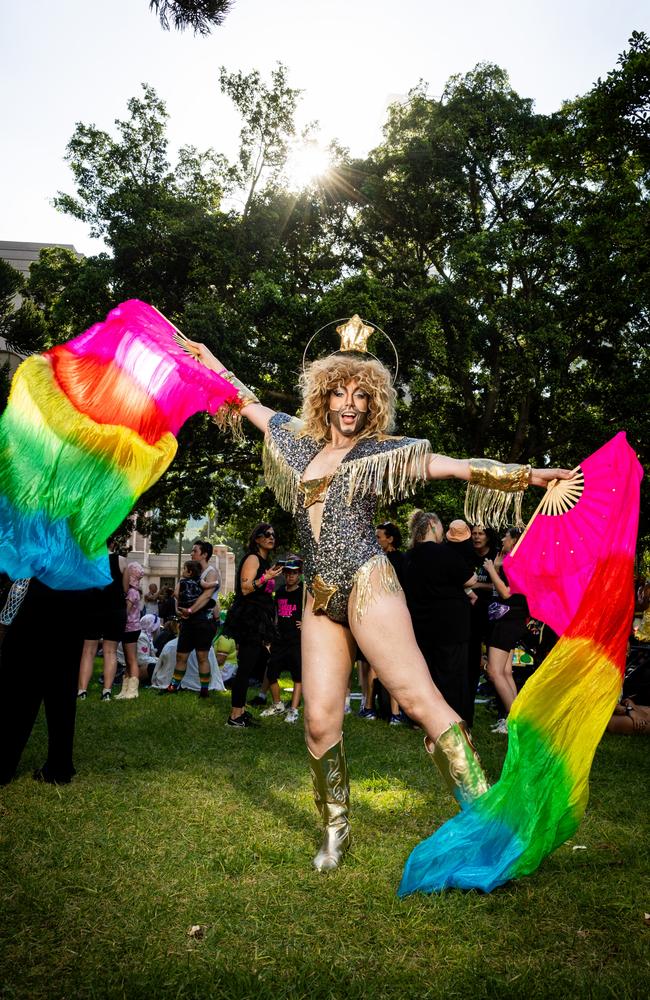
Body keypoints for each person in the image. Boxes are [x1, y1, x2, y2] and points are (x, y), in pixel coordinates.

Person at [185, 315, 572, 871]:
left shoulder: (383, 452)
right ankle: (336, 830)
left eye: (362, 395)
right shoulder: (295, 445)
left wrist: (528, 476)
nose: (350, 402)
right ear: (323, 394)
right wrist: (207, 359)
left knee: (420, 702)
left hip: (370, 584)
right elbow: (244, 401)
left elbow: (458, 467)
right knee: (319, 720)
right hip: (320, 596)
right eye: (340, 391)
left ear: (374, 404)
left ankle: (492, 825)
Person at [403, 511, 476, 719]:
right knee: (451, 672)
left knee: (427, 671)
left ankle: (425, 717)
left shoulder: (409, 556)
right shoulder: (444, 553)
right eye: (442, 526)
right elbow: (470, 580)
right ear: (433, 525)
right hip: (450, 624)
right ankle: (453, 715)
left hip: (421, 622)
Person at [223, 524, 283, 727]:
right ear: (256, 539)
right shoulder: (253, 558)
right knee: (245, 668)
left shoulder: (266, 561)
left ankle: (240, 711)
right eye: (266, 534)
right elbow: (246, 588)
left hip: (260, 620)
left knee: (256, 665)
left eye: (273, 534)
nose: (271, 537)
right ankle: (235, 716)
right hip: (250, 620)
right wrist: (266, 577)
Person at [482, 528, 531, 733]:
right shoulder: (515, 560)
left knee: (494, 672)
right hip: (513, 619)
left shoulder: (518, 561)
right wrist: (499, 567)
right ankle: (516, 717)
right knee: (505, 672)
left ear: (515, 540)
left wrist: (492, 570)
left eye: (506, 536)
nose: (502, 539)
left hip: (508, 620)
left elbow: (506, 593)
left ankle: (514, 722)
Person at [77, 541, 129, 701]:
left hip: (92, 609)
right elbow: (125, 589)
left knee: (88, 651)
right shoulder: (121, 561)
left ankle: (82, 691)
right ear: (113, 544)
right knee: (110, 651)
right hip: (115, 610)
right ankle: (106, 691)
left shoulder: (86, 559)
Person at [164, 553, 218, 699]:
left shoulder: (202, 580)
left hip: (201, 622)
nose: (182, 570)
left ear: (190, 571)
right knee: (181, 656)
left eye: (184, 568)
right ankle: (173, 686)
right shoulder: (183, 581)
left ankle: (204, 690)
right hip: (187, 623)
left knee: (202, 657)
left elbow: (208, 594)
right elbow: (176, 595)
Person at [261, 558, 304, 723]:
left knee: (297, 676)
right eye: (287, 573)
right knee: (271, 672)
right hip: (280, 639)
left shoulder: (303, 592)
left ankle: (293, 710)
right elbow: (276, 615)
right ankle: (278, 704)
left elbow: (314, 610)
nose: (290, 577)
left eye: (294, 573)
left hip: (296, 640)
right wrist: (271, 634)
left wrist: (307, 623)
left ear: (299, 574)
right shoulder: (279, 592)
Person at [115, 561, 145, 700]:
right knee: (127, 660)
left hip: (131, 629)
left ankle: (133, 690)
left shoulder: (132, 592)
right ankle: (125, 689)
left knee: (132, 659)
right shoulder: (134, 591)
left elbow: (126, 611)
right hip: (129, 629)